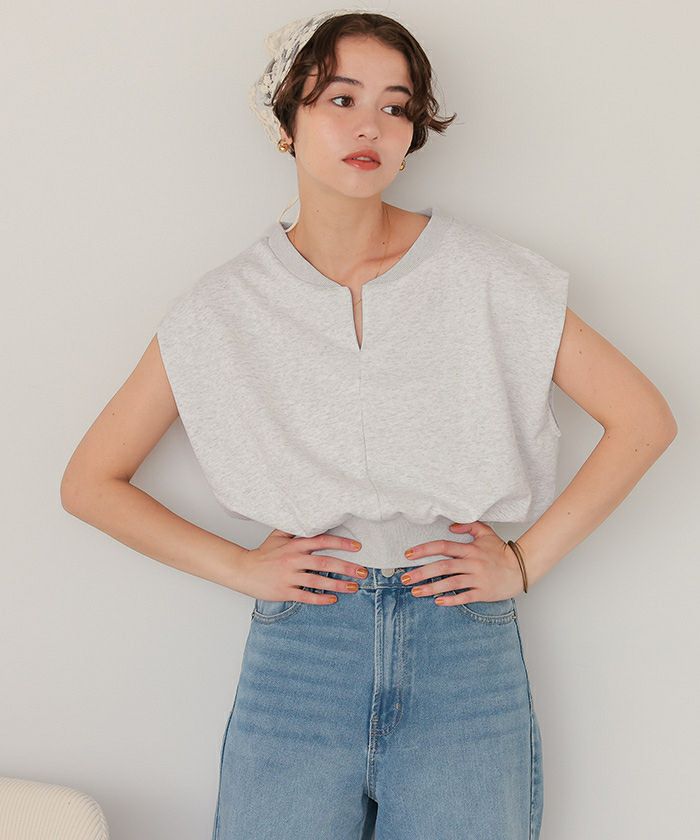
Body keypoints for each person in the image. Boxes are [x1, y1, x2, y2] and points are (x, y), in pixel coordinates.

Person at [60, 8, 678, 840]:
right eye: (341, 99)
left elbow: (643, 419)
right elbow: (89, 483)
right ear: (287, 117)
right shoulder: (224, 307)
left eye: (396, 106)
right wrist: (240, 567)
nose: (371, 127)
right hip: (304, 652)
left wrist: (525, 562)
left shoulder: (485, 274)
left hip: (462, 645)